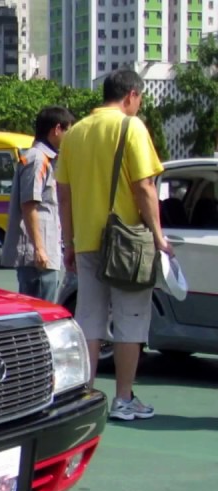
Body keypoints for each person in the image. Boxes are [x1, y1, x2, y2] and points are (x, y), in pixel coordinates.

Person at [56, 68, 171, 421]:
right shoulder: (131, 126)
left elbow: (64, 194)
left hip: (88, 241)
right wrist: (158, 235)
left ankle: (86, 394)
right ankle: (123, 398)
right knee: (130, 319)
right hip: (126, 242)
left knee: (89, 318)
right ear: (131, 95)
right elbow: (145, 187)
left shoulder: (74, 133)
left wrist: (69, 241)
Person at [3, 106, 76, 302]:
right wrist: (39, 248)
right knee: (39, 309)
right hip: (38, 253)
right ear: (57, 129)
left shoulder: (46, 158)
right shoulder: (37, 158)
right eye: (69, 130)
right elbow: (29, 205)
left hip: (45, 248)